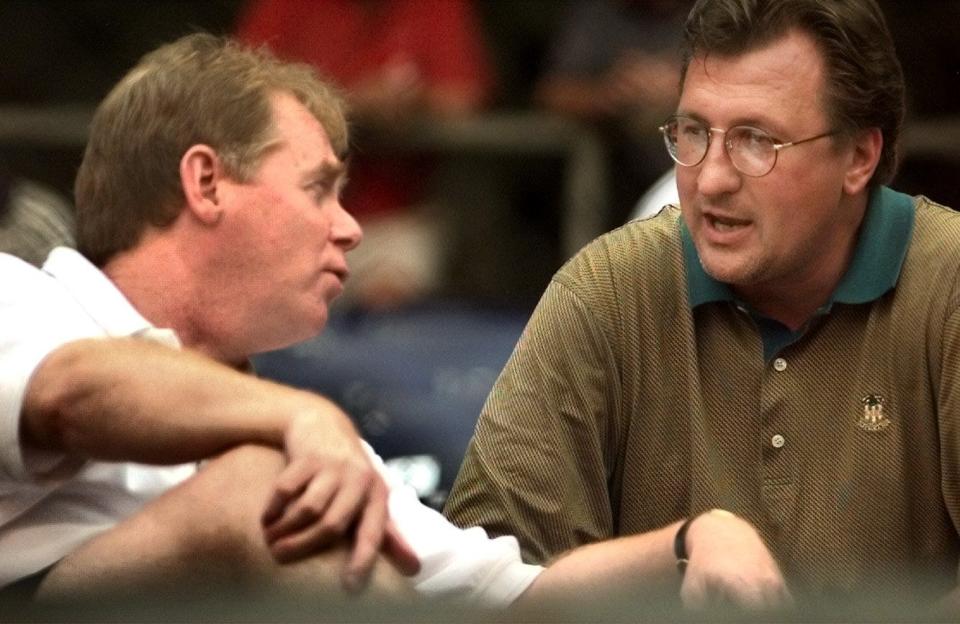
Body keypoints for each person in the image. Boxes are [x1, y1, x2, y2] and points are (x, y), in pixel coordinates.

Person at [445, 0, 960, 615]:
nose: (709, 178)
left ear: (858, 157)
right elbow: (483, 583)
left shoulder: (947, 285)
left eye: (756, 141)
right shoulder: (609, 290)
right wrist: (680, 549)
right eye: (692, 132)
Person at [0, 33, 538, 613]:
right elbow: (70, 391)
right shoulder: (18, 291)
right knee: (262, 490)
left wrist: (654, 554)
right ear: (206, 183)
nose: (351, 228)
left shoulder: (305, 436)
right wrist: (301, 417)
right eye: (319, 190)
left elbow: (514, 593)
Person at [235, 0, 494, 309]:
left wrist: (415, 101)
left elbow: (463, 98)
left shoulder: (435, 7)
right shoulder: (284, 7)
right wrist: (349, 102)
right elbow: (241, 99)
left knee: (391, 320)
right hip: (290, 216)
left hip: (395, 218)